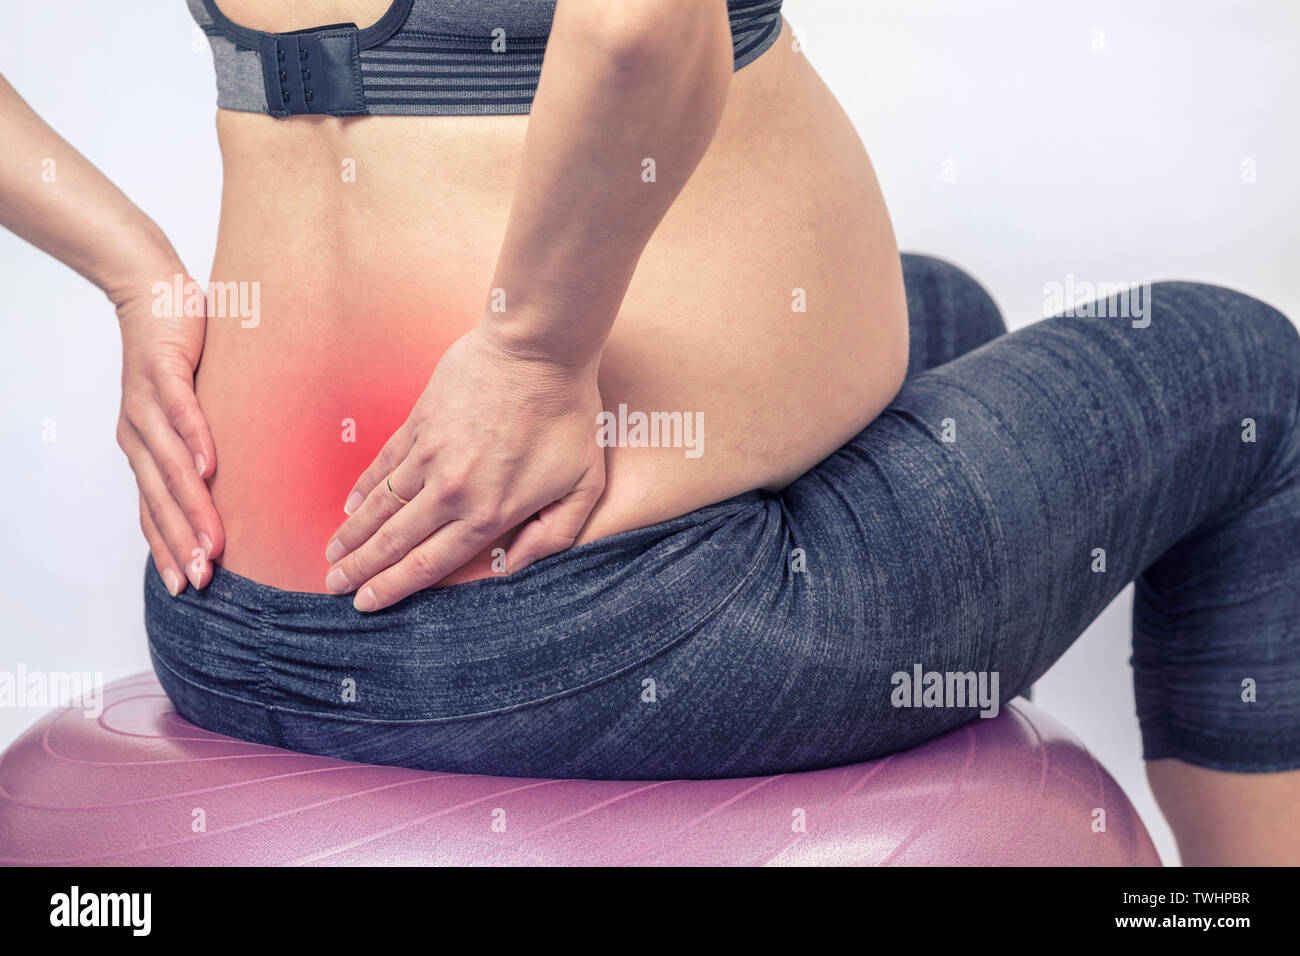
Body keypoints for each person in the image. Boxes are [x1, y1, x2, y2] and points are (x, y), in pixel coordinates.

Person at [1, 0, 1296, 866]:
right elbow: (635, 26)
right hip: (593, 627)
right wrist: (532, 349)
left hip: (230, 613)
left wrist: (138, 275)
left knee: (944, 309)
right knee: (1244, 371)